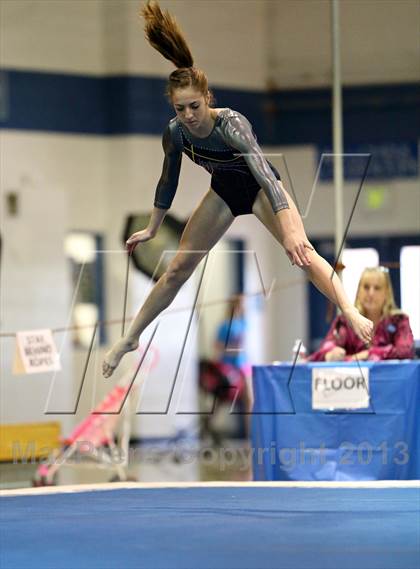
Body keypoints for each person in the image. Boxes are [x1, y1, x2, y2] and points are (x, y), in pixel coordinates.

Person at [102, 0, 373, 378]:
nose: (189, 116)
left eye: (194, 106)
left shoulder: (231, 124)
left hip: (262, 189)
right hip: (224, 193)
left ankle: (348, 308)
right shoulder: (175, 134)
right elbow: (168, 181)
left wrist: (292, 230)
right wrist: (151, 227)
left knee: (303, 253)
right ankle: (131, 336)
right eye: (181, 109)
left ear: (207, 98)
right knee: (178, 267)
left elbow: (263, 171)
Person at [308, 267, 414, 362]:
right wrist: (330, 355)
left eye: (377, 288)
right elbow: (324, 350)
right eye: (366, 287)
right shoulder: (345, 321)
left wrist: (368, 354)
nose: (371, 293)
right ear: (359, 291)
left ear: (387, 293)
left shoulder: (399, 320)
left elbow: (405, 351)